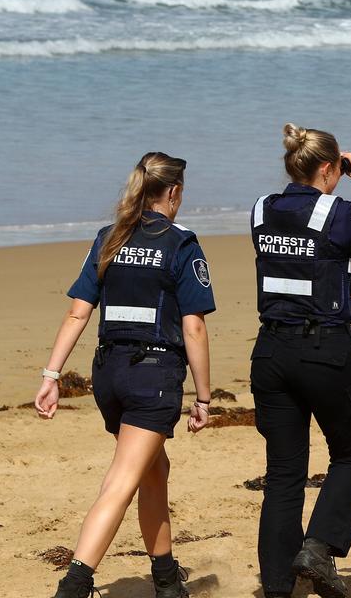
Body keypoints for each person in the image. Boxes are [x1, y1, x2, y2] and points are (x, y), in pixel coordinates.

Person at [34, 152, 216, 598]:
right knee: (120, 483)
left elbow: (78, 313)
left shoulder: (109, 237)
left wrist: (51, 374)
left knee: (154, 471)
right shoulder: (182, 242)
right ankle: (75, 583)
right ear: (172, 192)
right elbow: (193, 326)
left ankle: (167, 579)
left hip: (108, 376)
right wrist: (204, 396)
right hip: (152, 378)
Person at [249, 124, 351, 598]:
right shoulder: (336, 213)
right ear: (328, 167)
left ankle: (278, 587)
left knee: (284, 474)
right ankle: (318, 548)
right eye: (338, 169)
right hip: (324, 349)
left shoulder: (261, 210)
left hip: (271, 351)